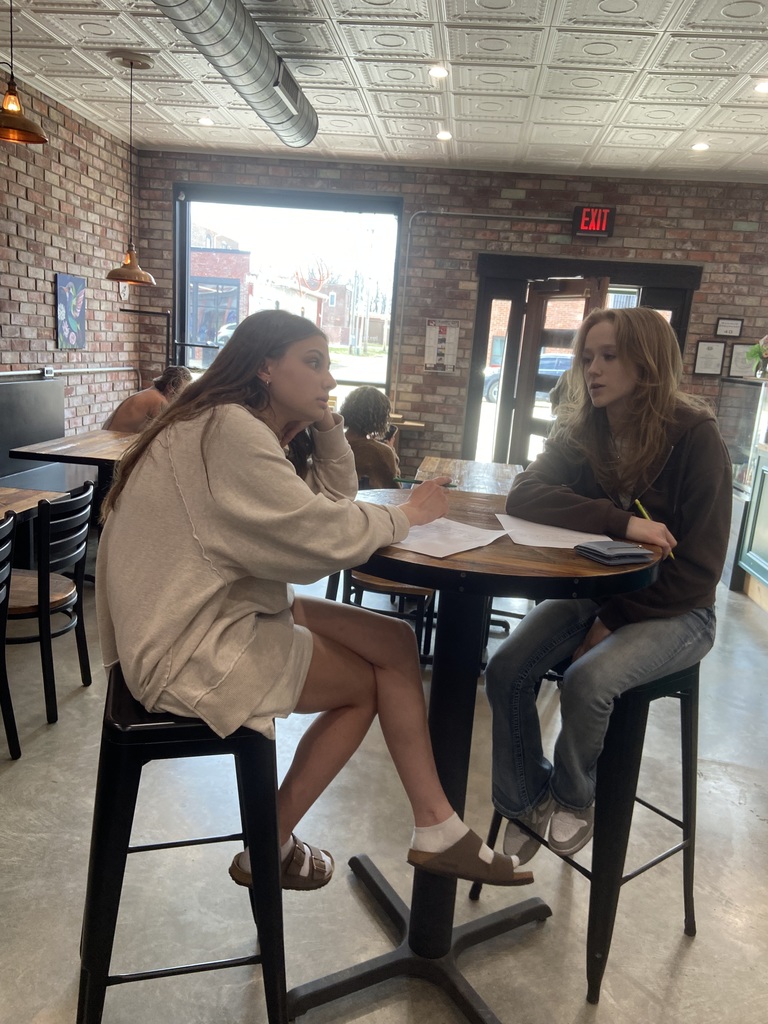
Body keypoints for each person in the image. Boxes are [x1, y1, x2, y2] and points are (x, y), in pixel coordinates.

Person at [96, 309, 531, 892]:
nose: (329, 380)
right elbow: (320, 541)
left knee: (395, 638)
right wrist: (408, 516)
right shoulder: (229, 430)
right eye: (314, 362)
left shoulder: (226, 424)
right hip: (188, 642)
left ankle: (437, 829)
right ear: (266, 367)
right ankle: (269, 844)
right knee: (366, 685)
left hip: (206, 605)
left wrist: (326, 426)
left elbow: (330, 504)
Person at [485, 306, 731, 863]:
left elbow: (699, 571)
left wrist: (612, 621)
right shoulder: (584, 429)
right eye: (587, 357)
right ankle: (525, 802)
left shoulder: (695, 437)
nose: (592, 370)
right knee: (504, 668)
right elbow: (525, 494)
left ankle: (574, 796)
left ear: (647, 363)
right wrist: (621, 522)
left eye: (608, 356)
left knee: (587, 680)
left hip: (681, 612)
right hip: (599, 591)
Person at [339, 385, 401, 488]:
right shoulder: (381, 452)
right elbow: (394, 488)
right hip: (370, 503)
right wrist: (391, 451)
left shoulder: (332, 443)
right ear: (381, 418)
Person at [103, 365, 192, 433]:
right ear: (170, 387)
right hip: (113, 447)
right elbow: (163, 434)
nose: (184, 396)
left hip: (114, 441)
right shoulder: (158, 400)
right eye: (183, 391)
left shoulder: (152, 392)